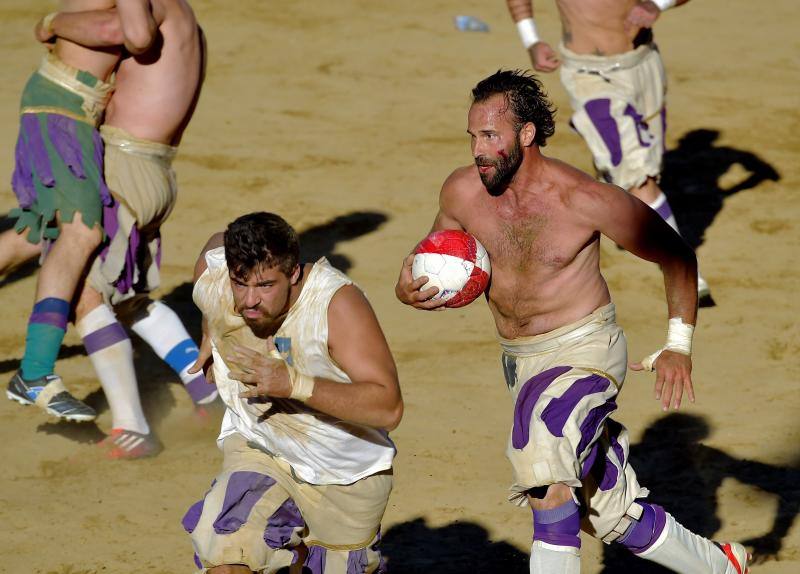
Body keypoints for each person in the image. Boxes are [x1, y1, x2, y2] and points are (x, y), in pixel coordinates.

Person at [395, 70, 748, 573]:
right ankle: (719, 566)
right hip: (521, 362)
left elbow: (676, 255)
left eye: (490, 136)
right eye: (472, 136)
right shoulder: (461, 192)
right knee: (603, 510)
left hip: (586, 349)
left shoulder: (585, 199)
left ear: (526, 134)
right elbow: (429, 260)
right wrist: (408, 288)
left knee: (543, 466)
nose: (477, 150)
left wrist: (678, 343)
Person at [6, 0, 216, 458]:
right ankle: (207, 391)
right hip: (156, 172)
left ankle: (131, 428)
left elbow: (130, 35)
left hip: (125, 165)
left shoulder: (149, 10)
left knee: (86, 291)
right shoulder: (188, 20)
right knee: (123, 295)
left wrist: (51, 23)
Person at [183, 212, 403, 573]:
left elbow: (388, 407)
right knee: (226, 554)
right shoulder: (219, 281)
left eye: (266, 286)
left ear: (294, 274)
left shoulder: (335, 306)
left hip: (344, 473)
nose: (250, 301)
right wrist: (211, 326)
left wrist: (294, 385)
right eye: (240, 284)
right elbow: (214, 246)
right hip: (261, 446)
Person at [505, 0, 714, 305]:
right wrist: (531, 39)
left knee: (646, 167)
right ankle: (681, 264)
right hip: (590, 77)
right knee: (639, 178)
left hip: (645, 66)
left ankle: (614, 178)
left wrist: (658, 3)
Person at [3, 0, 119, 423]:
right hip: (64, 109)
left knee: (36, 232)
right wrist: (52, 22)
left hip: (66, 107)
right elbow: (115, 30)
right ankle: (34, 374)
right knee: (80, 232)